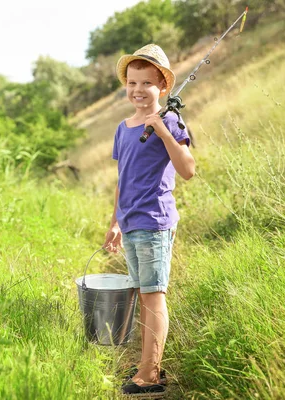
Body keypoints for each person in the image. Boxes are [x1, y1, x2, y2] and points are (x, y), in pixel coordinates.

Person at [103, 44, 195, 397]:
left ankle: (151, 375)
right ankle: (146, 361)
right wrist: (113, 223)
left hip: (155, 221)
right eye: (132, 82)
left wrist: (163, 130)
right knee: (143, 295)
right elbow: (122, 180)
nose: (138, 90)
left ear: (163, 87)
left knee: (154, 296)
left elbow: (187, 170)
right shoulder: (123, 127)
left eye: (147, 83)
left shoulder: (170, 121)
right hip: (130, 223)